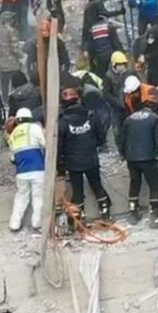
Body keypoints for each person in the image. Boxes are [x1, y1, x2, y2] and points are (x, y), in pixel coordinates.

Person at [59, 88, 114, 220]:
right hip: (91, 159)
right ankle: (106, 214)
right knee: (97, 186)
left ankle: (79, 219)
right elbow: (101, 136)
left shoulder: (62, 121)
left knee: (77, 192)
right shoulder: (90, 116)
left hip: (73, 163)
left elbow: (59, 144)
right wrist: (92, 145)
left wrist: (60, 162)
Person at [119, 101, 158, 225]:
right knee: (154, 185)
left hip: (132, 158)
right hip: (147, 158)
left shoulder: (129, 119)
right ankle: (154, 213)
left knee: (135, 183)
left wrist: (123, 154)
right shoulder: (154, 119)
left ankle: (133, 211)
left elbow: (121, 139)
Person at [8, 108, 47, 233]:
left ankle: (14, 224)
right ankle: (37, 224)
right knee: (38, 196)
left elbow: (13, 157)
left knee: (21, 197)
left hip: (21, 171)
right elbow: (46, 144)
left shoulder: (13, 133)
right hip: (37, 168)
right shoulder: (34, 128)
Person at [0, 11, 23, 95]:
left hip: (0, 64)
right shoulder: (12, 31)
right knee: (15, 87)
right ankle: (13, 103)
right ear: (9, 20)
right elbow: (15, 49)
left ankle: (5, 102)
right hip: (12, 65)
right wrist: (22, 57)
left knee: (4, 86)